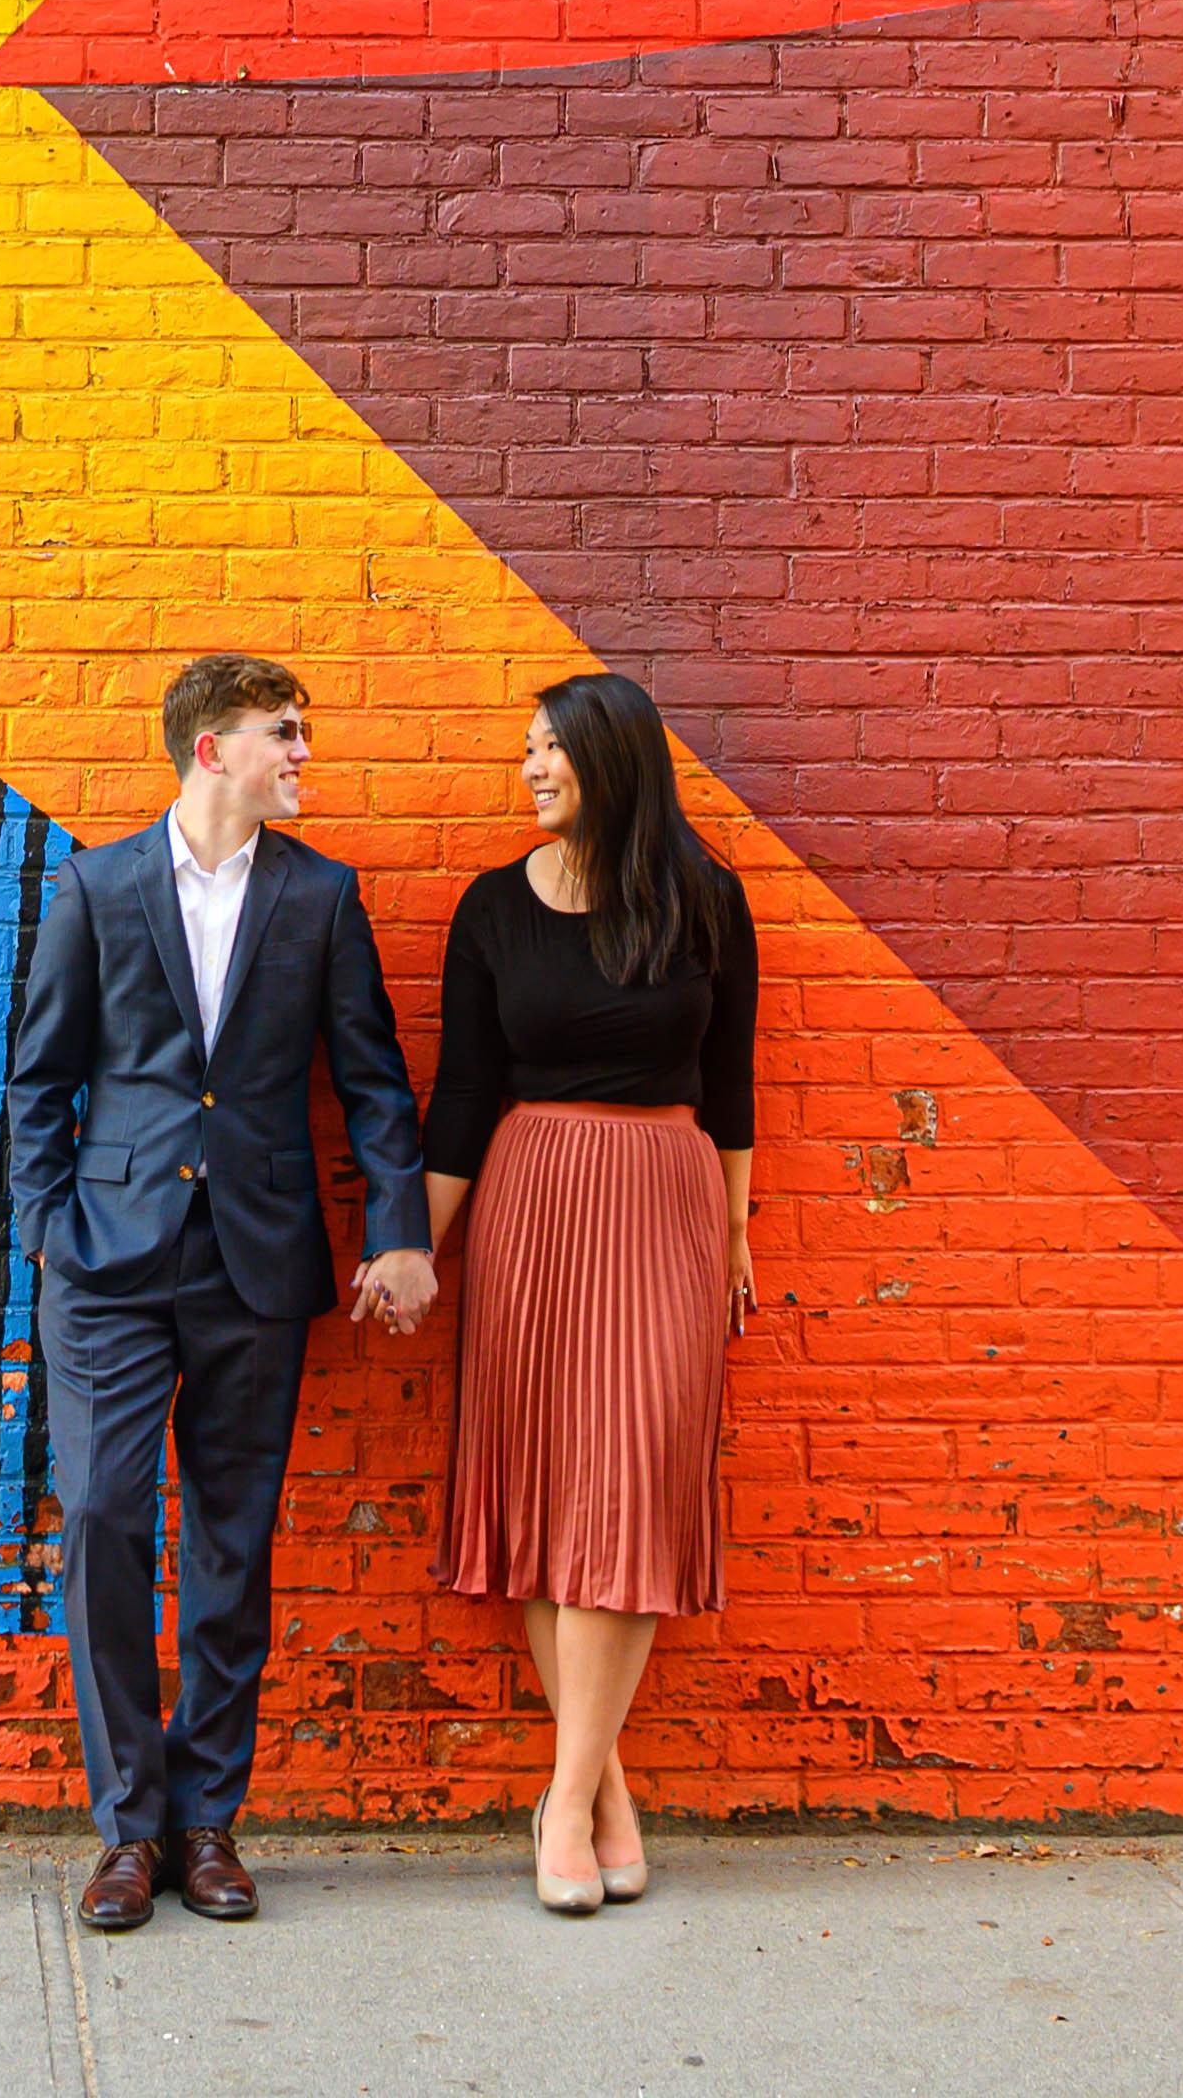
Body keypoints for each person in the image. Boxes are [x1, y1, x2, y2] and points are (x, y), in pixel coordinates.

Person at [4, 651, 436, 1933]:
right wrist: (49, 1233)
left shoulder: (321, 895)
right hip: (108, 1263)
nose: (302, 753)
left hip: (255, 1255)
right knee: (101, 1517)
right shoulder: (97, 886)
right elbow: (41, 1077)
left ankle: (206, 1822)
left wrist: (399, 1231)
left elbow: (373, 1079)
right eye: (283, 732)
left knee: (231, 1544)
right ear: (213, 750)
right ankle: (128, 1826)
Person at [426, 670, 760, 1915]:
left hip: (664, 1199)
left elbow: (731, 1084)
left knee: (630, 1485)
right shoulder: (492, 907)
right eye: (525, 748)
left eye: (550, 748)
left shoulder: (706, 898)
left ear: (612, 758)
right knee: (545, 1490)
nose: (530, 768)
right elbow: (463, 1095)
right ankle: (600, 1791)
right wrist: (419, 1246)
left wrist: (734, 1232)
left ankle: (562, 1803)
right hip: (531, 1203)